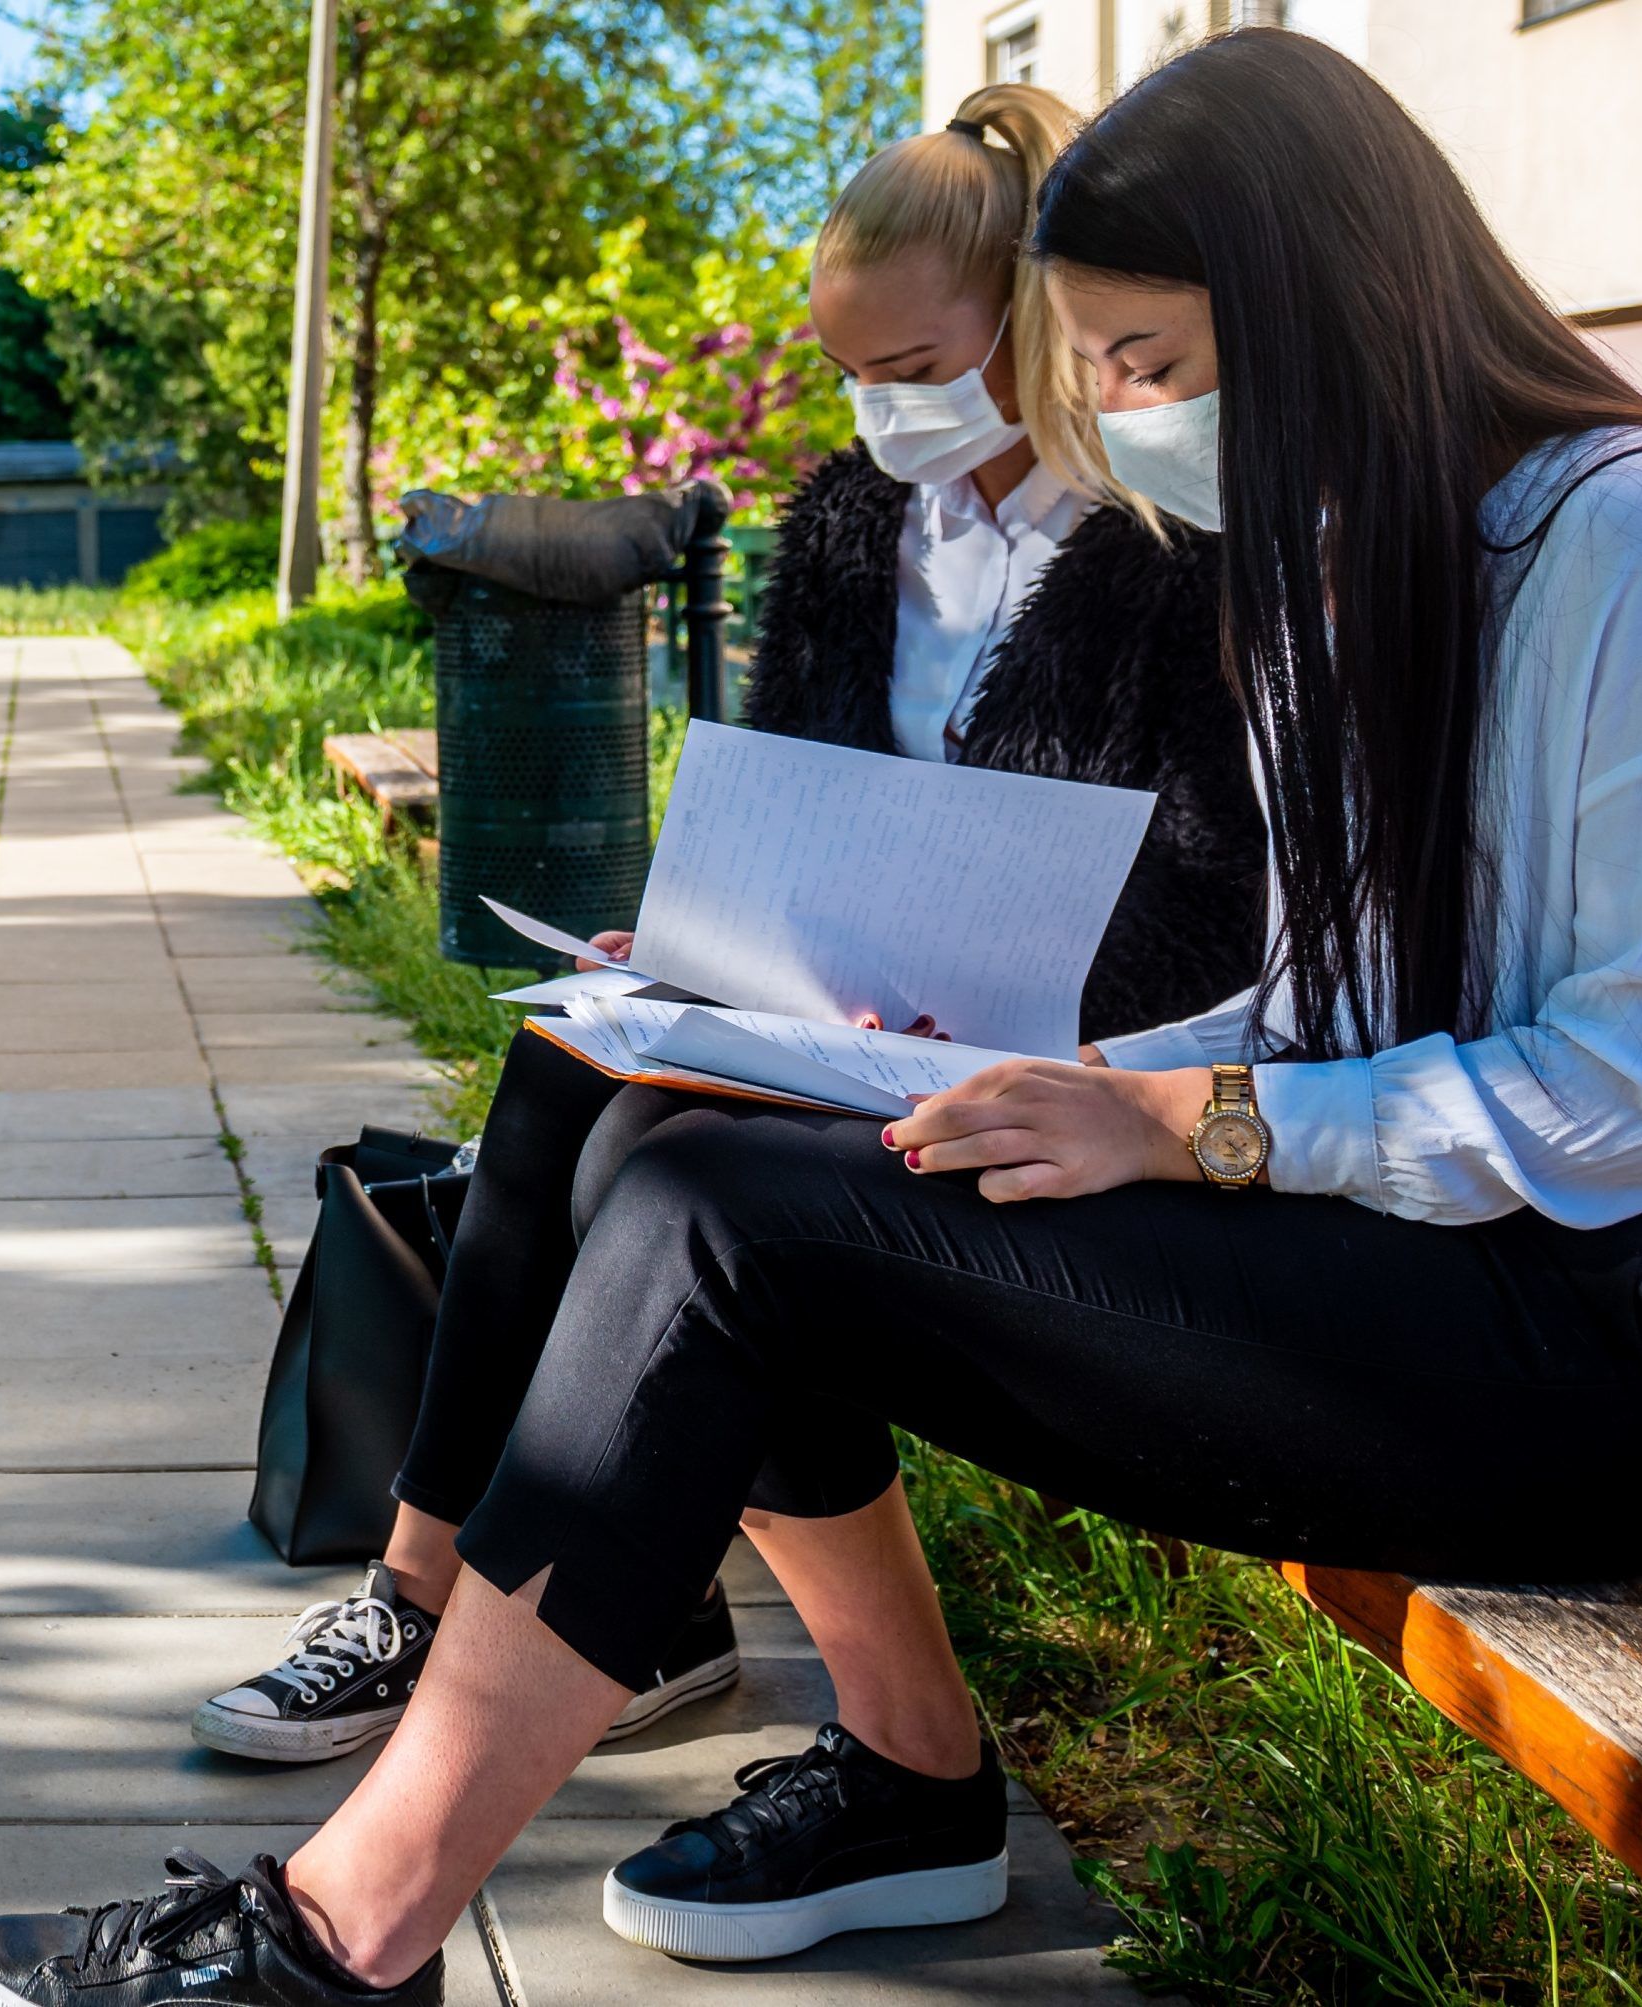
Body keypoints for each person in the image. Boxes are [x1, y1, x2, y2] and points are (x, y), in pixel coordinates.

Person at [0, 28, 1642, 2006]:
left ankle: (335, 1936)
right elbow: (1328, 1006)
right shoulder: (1352, 570)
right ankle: (901, 1774)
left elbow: (1636, 1095)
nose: (1124, 419)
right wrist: (1037, 1079)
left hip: (1615, 1352)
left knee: (734, 1228)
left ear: (1317, 313)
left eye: (1143, 367)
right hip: (1413, 1257)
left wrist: (1177, 1121)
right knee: (667, 1128)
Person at [189, 77, 1266, 1774]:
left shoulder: (1167, 544)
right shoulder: (851, 522)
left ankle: (571, 1618)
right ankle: (428, 1594)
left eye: (909, 373)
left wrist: (979, 1003)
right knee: (560, 1065)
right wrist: (688, 932)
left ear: (1032, 330)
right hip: (839, 1011)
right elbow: (791, 794)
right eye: (847, 373)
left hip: (1048, 1050)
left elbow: (1209, 900)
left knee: (660, 1158)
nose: (873, 410)